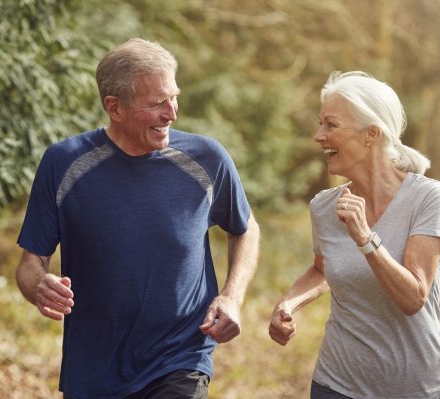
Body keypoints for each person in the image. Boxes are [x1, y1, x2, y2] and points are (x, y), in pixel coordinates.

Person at [15, 37, 260, 399]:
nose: (171, 112)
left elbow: (245, 229)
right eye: (157, 103)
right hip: (94, 367)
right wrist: (38, 286)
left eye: (173, 96)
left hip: (180, 356)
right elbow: (29, 263)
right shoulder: (64, 163)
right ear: (114, 107)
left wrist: (231, 296)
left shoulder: (206, 160)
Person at [268, 71, 440, 399]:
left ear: (371, 134)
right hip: (335, 385)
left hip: (416, 388)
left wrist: (366, 238)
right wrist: (288, 303)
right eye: (320, 123)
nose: (318, 136)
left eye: (331, 125)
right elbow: (322, 269)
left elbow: (413, 298)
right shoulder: (324, 206)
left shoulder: (427, 197)